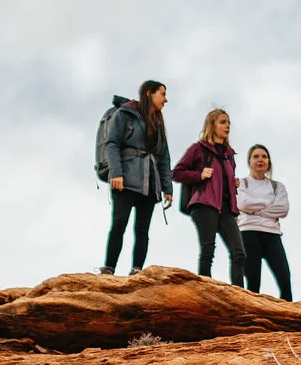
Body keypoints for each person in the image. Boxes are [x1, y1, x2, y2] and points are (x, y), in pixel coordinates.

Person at [101, 80, 173, 274]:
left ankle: (137, 271)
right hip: (125, 179)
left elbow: (164, 157)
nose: (165, 99)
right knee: (119, 223)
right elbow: (112, 144)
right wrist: (116, 173)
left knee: (142, 230)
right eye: (162, 94)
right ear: (149, 93)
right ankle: (108, 268)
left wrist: (167, 188)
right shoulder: (125, 114)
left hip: (150, 183)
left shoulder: (158, 122)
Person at [174, 109, 245, 284]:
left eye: (228, 122)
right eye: (222, 122)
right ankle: (205, 289)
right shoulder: (198, 149)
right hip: (205, 204)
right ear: (211, 125)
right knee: (208, 250)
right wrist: (199, 175)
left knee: (239, 252)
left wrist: (232, 182)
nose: (227, 126)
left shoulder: (229, 155)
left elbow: (222, 180)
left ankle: (239, 295)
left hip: (226, 208)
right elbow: (176, 173)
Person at [236, 144, 292, 301]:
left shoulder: (277, 186)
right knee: (253, 281)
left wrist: (255, 209)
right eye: (256, 156)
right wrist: (268, 204)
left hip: (272, 234)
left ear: (269, 161)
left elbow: (283, 209)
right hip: (248, 232)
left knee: (284, 279)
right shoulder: (241, 184)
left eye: (264, 156)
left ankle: (288, 317)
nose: (260, 160)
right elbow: (243, 204)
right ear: (249, 161)